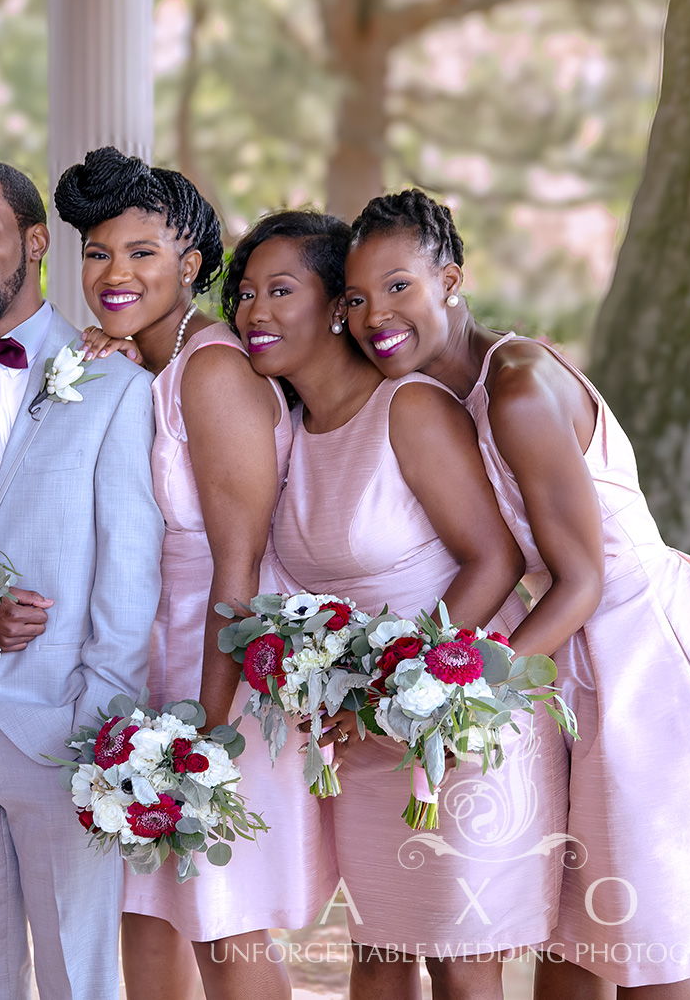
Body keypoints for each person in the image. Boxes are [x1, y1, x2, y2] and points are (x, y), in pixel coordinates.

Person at [343, 188, 690, 999]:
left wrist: (450, 687)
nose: (374, 313)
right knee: (582, 938)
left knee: (646, 938)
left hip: (647, 650)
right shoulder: (448, 395)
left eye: (398, 286)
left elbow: (584, 577)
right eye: (355, 297)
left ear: (450, 280)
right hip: (574, 654)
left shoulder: (518, 385)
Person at [235, 209, 568, 1000]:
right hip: (364, 737)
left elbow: (498, 559)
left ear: (329, 308)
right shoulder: (289, 430)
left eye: (282, 290)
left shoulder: (409, 408)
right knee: (377, 955)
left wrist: (404, 693)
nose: (256, 311)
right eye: (246, 294)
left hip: (457, 717)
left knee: (460, 958)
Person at [57, 147, 336, 1000]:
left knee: (221, 922)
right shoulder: (148, 360)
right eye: (99, 252)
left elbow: (240, 567)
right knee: (146, 913)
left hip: (218, 667)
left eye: (142, 253)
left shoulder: (211, 369)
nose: (114, 271)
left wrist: (203, 739)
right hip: (154, 663)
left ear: (190, 262)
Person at [0, 160, 161, 999]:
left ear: (35, 241)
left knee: (79, 971)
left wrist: (99, 722)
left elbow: (129, 573)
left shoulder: (117, 384)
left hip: (67, 727)